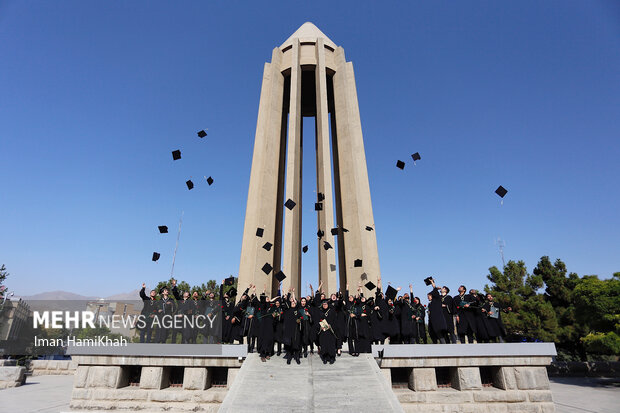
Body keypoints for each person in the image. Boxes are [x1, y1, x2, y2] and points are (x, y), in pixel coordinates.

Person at [282, 289, 303, 364]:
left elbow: (301, 317)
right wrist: (285, 293)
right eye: (292, 302)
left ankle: (297, 357)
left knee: (296, 344)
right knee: (289, 345)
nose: (293, 303)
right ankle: (289, 357)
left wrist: (293, 293)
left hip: (296, 330)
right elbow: (285, 301)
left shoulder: (297, 310)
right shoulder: (287, 310)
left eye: (294, 302)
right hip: (288, 330)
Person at [316, 300, 337, 364]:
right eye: (324, 304)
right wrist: (320, 327)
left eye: (326, 304)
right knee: (324, 344)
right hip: (323, 331)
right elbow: (317, 320)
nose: (325, 305)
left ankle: (332, 357)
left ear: (328, 305)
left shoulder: (332, 311)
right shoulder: (320, 311)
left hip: (330, 331)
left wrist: (331, 325)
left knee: (331, 345)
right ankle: (324, 357)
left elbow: (335, 320)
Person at [427, 278, 447, 344]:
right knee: (434, 336)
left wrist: (432, 282)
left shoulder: (437, 300)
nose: (428, 297)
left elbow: (435, 290)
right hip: (433, 321)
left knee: (441, 336)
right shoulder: (430, 303)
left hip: (438, 321)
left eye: (429, 296)